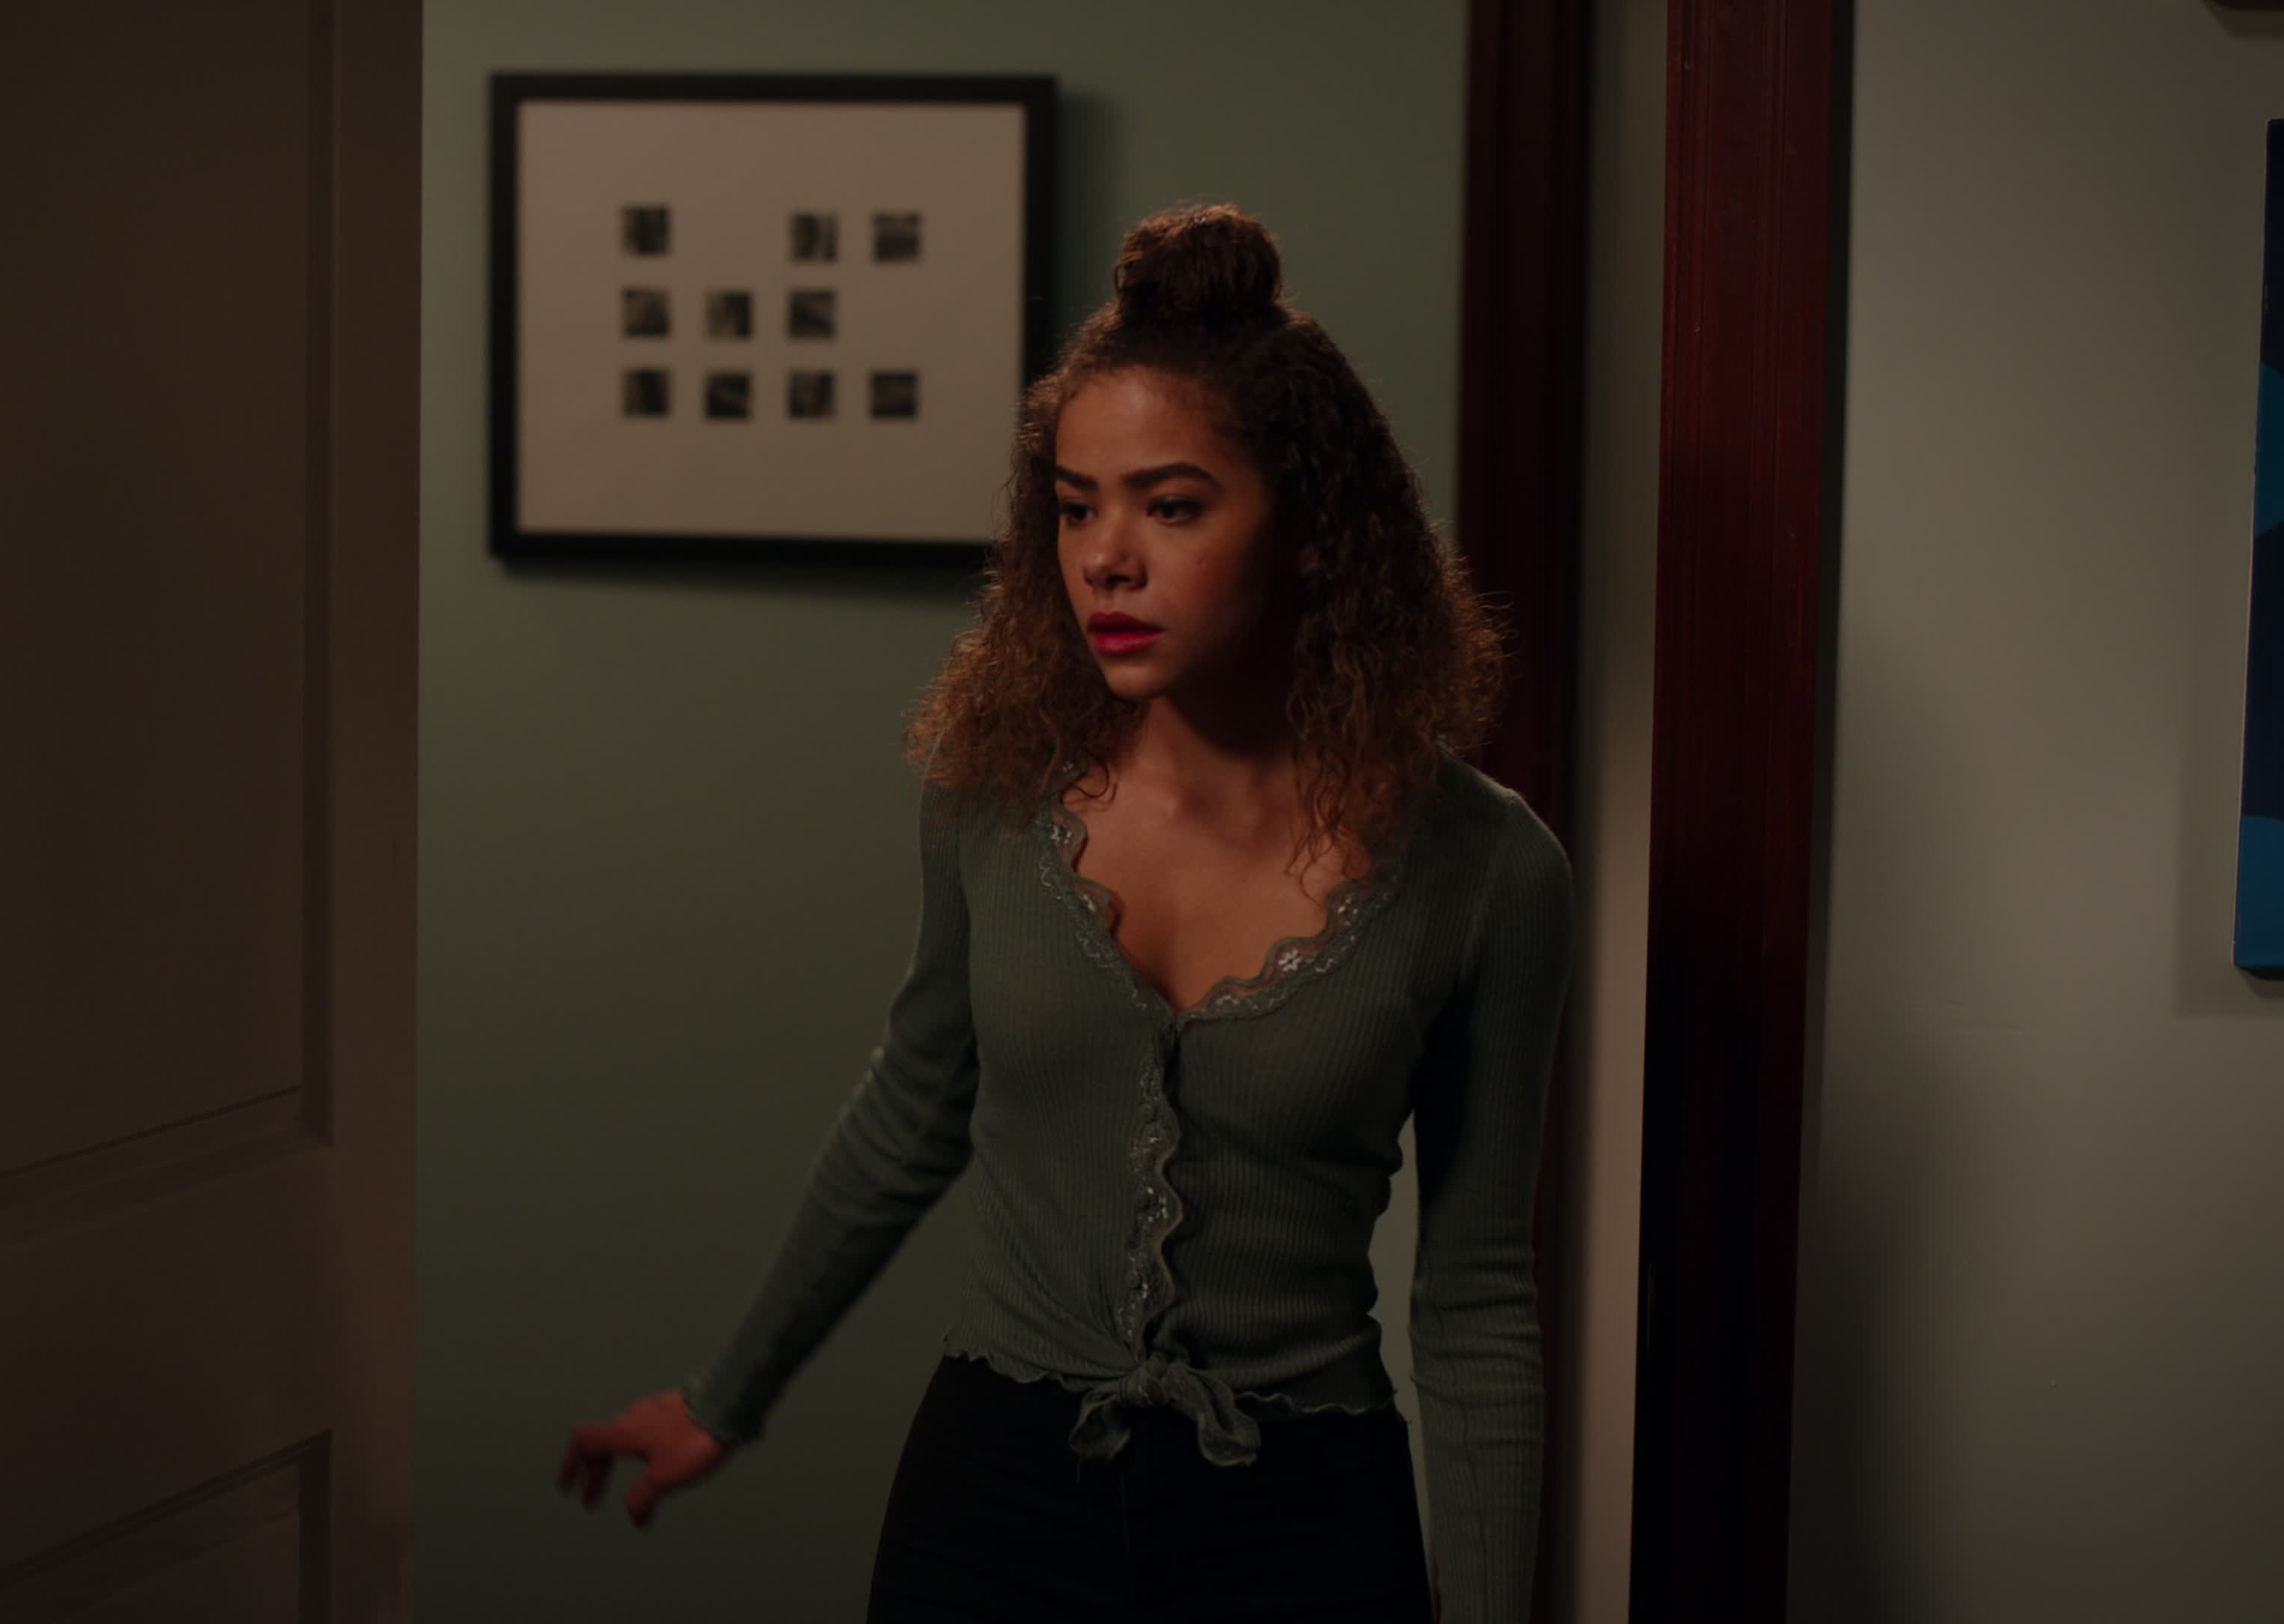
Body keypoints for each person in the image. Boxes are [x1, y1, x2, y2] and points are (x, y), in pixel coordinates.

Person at [557, 201, 1575, 1623]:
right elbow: (912, 1109)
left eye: (1172, 505)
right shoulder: (993, 798)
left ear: (1310, 530)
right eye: (1075, 504)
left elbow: (1475, 1303)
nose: (1105, 557)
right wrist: (725, 1396)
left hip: (1304, 1521)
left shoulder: (1488, 870)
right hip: (994, 1502)